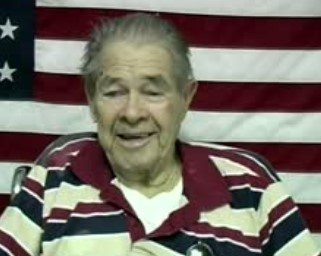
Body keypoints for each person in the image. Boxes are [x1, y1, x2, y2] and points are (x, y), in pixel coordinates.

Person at [0, 13, 319, 256]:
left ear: (186, 97)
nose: (132, 112)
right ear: (91, 97)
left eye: (153, 92)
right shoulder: (56, 176)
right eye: (113, 92)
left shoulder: (252, 186)